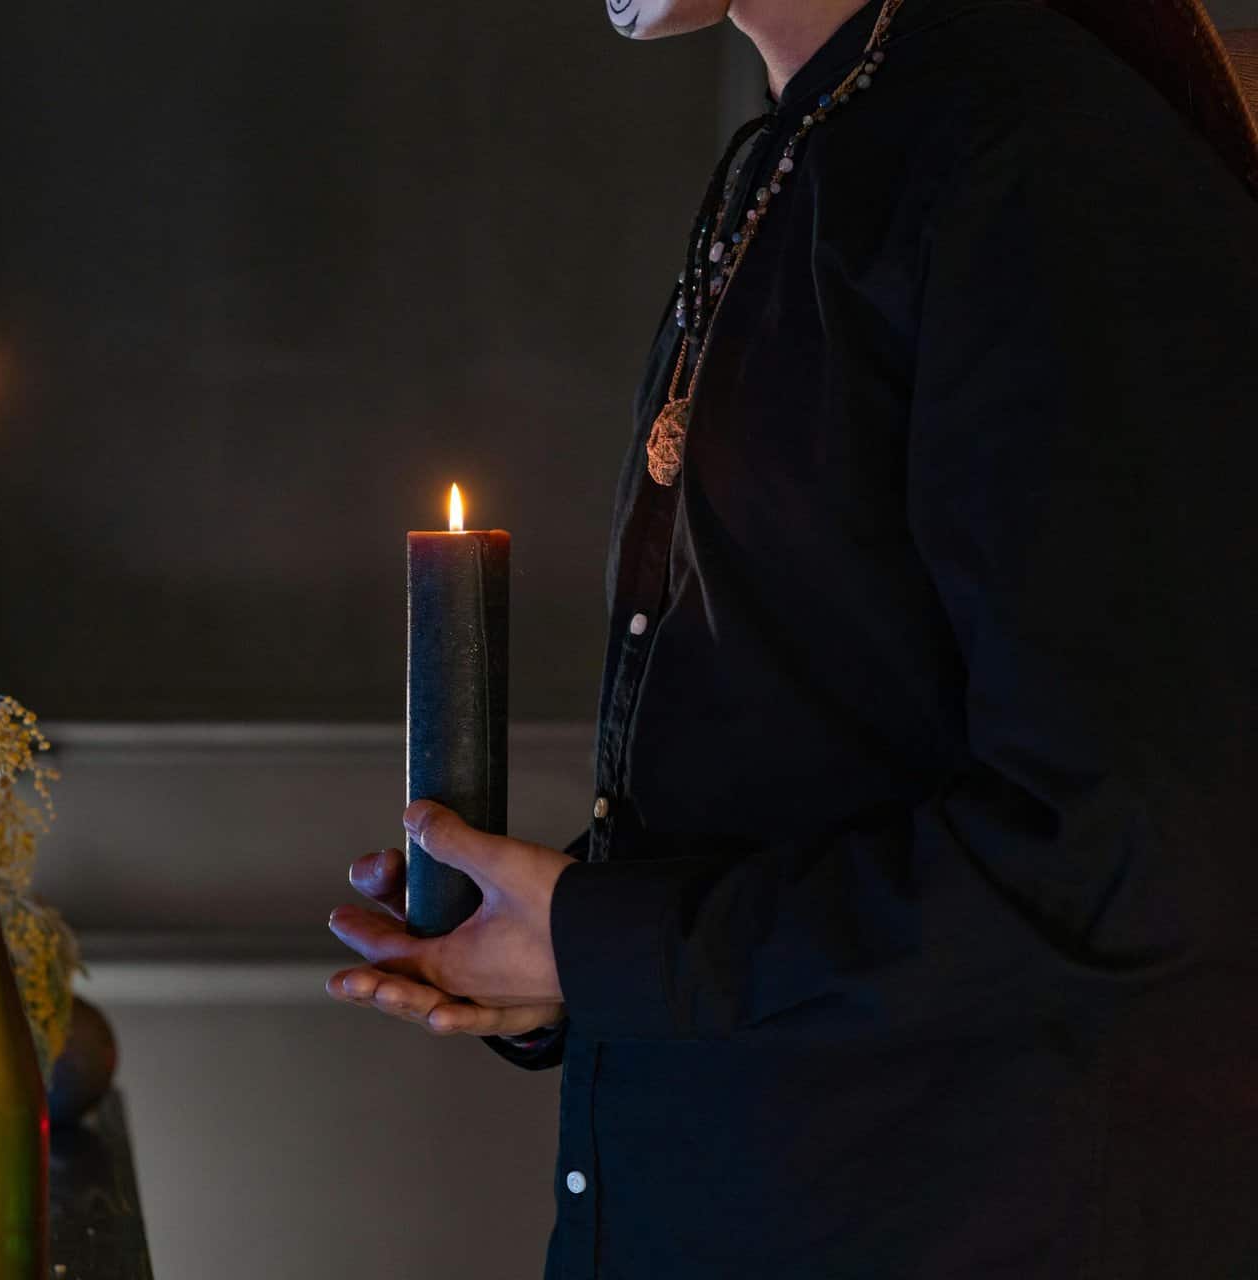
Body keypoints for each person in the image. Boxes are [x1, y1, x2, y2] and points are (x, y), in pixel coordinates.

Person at [326, 1, 1258, 1275]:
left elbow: (1118, 841)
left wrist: (614, 944)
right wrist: (561, 943)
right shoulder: (812, 145)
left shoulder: (1037, 164)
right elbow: (827, 760)